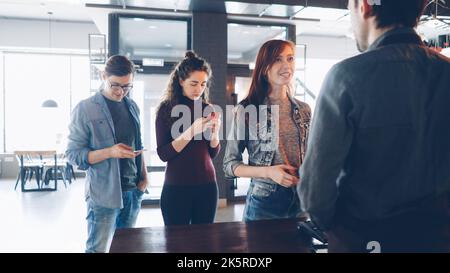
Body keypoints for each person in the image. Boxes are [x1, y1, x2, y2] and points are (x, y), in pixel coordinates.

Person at [299, 0, 450, 252]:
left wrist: (333, 228)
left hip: (365, 239)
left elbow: (315, 190)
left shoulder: (346, 76)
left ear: (364, 4)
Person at [66, 55, 148, 252]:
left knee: (126, 248)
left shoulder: (132, 106)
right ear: (103, 76)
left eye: (127, 86)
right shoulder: (85, 108)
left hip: (132, 191)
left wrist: (143, 178)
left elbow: (139, 143)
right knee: (97, 249)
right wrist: (110, 152)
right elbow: (73, 154)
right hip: (103, 194)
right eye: (116, 85)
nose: (121, 91)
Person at [223, 40, 311, 222]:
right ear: (264, 68)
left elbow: (311, 155)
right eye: (278, 59)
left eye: (290, 58)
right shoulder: (247, 110)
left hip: (301, 201)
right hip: (264, 204)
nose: (286, 65)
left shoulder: (304, 109)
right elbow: (229, 165)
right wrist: (269, 172)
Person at [155, 51, 221, 226]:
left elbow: (212, 152)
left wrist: (215, 134)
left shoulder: (207, 108)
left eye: (203, 84)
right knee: (176, 243)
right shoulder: (166, 109)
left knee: (204, 242)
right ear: (181, 81)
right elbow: (163, 154)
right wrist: (191, 132)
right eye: (193, 83)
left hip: (207, 186)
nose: (199, 89)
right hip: (177, 187)